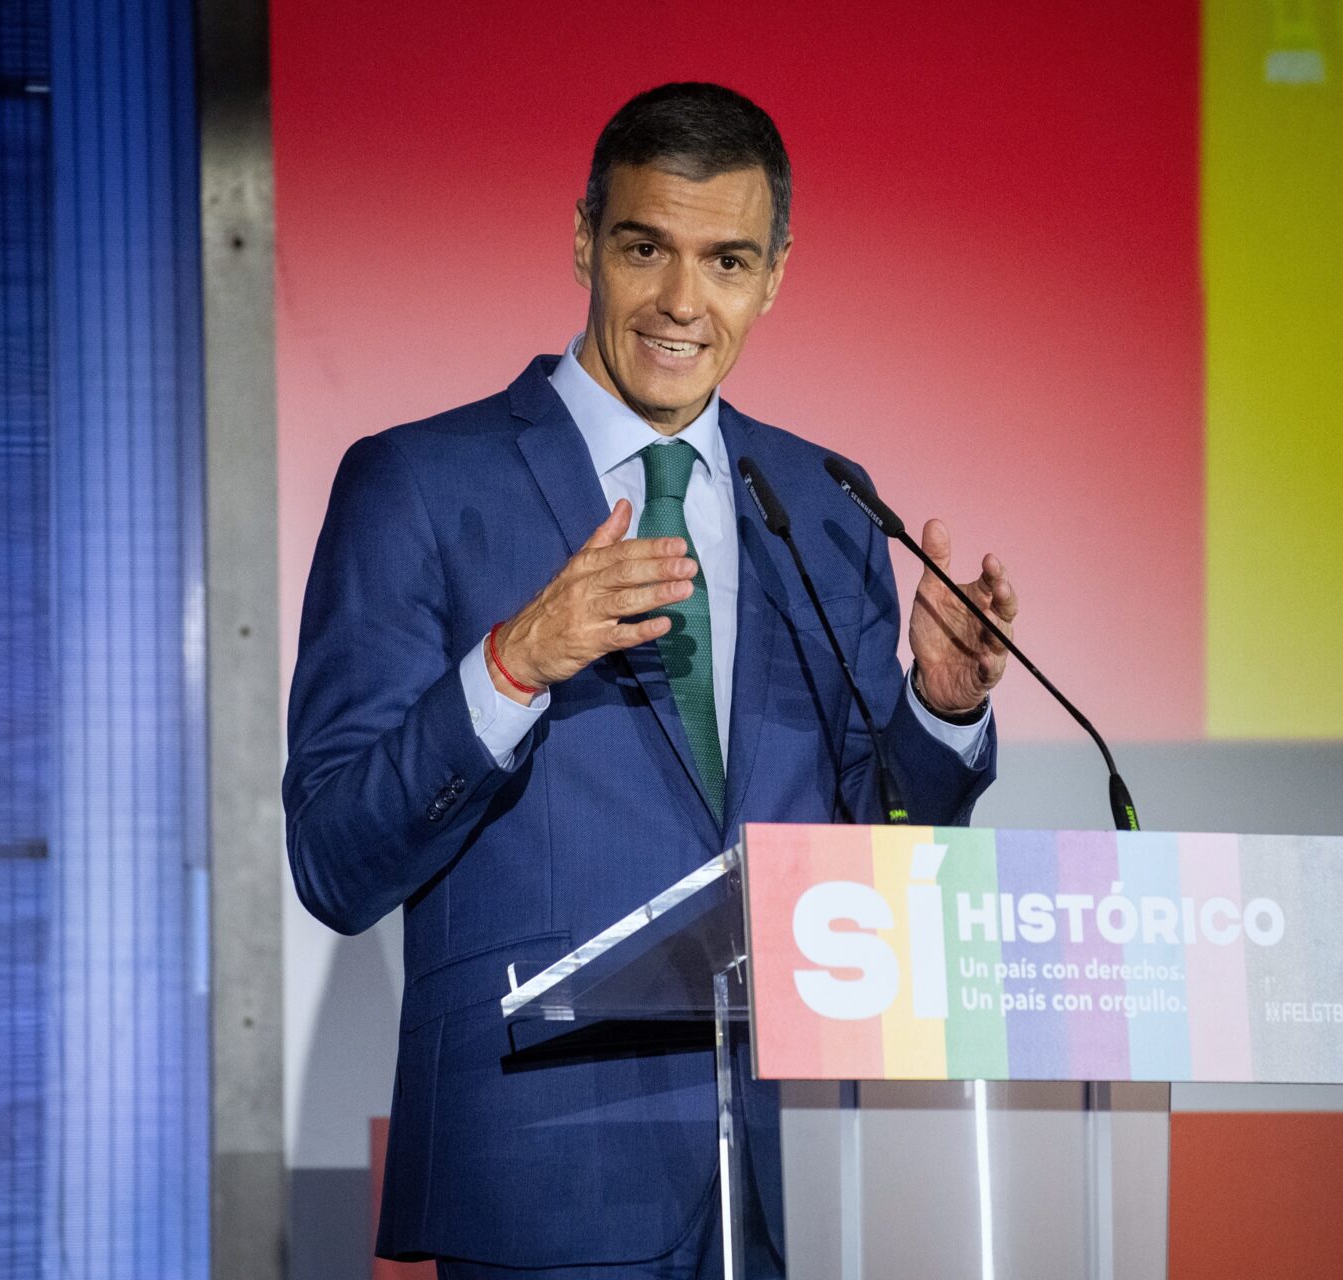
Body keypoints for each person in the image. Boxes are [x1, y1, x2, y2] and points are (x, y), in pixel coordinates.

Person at [284, 82, 1020, 1279]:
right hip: (540, 1176)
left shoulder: (827, 503)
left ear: (775, 276)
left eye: (728, 261)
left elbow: (871, 860)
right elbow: (333, 858)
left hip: (780, 1184)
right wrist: (512, 664)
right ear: (584, 240)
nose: (683, 301)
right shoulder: (417, 482)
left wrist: (939, 709)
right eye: (645, 249)